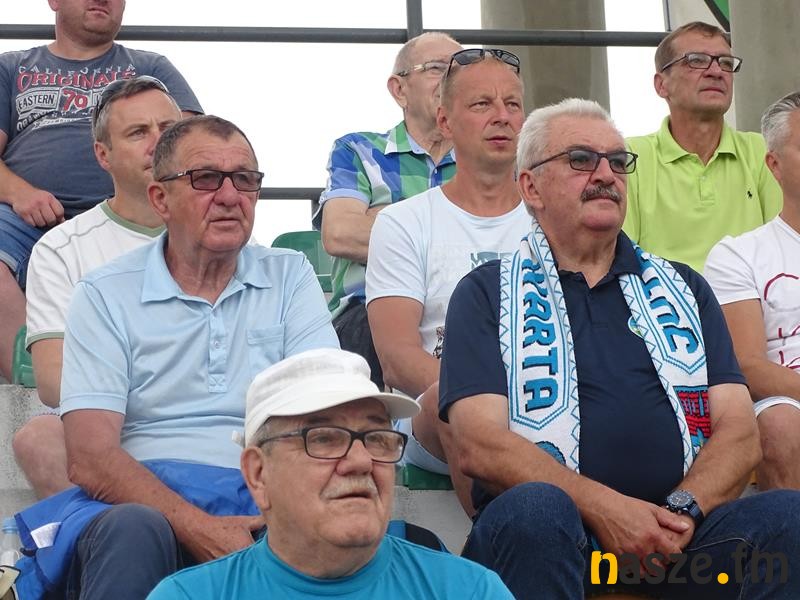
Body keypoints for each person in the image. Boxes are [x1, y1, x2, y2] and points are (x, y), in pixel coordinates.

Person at [438, 97, 800, 598]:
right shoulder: (486, 292)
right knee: (535, 509)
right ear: (530, 187)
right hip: (558, 542)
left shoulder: (683, 288)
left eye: (617, 161)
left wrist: (676, 515)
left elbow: (739, 431)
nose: (606, 174)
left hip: (678, 548)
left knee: (788, 517)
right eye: (581, 159)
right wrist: (608, 510)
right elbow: (479, 444)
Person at [12, 115, 338, 600]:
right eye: (205, 179)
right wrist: (199, 527)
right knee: (133, 531)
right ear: (160, 199)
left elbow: (326, 410)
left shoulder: (290, 276)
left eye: (244, 179)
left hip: (263, 488)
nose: (229, 196)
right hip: (141, 498)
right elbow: (91, 459)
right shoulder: (105, 292)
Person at [147, 348, 513, 599]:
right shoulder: (189, 596)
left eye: (377, 437)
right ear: (258, 474)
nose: (361, 461)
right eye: (323, 438)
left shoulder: (468, 591)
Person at [0, 0, 202, 381]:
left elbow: (192, 148)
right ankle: (37, 382)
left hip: (132, 215)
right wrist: (20, 193)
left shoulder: (152, 68)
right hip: (23, 219)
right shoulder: (10, 68)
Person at [366, 48, 531, 512]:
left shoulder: (553, 219)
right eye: (482, 104)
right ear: (445, 121)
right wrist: (487, 400)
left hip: (547, 400)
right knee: (455, 401)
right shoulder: (404, 222)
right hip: (438, 418)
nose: (502, 117)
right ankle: (496, 537)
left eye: (513, 104)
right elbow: (398, 359)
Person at [12, 76, 183, 499]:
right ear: (103, 155)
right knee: (38, 439)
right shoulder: (62, 248)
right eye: (138, 132)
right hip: (113, 429)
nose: (158, 142)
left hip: (215, 427)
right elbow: (54, 381)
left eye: (168, 129)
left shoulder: (226, 234)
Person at [317, 32, 462, 386]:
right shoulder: (360, 151)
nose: (452, 79)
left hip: (462, 308)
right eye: (437, 68)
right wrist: (458, 236)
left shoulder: (489, 163)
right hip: (367, 313)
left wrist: (386, 219)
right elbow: (340, 234)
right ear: (399, 89)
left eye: (460, 71)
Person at [623, 21, 781, 273]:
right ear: (661, 85)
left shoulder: (763, 151)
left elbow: (784, 251)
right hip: (661, 296)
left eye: (726, 63)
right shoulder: (630, 157)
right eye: (697, 60)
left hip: (750, 294)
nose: (716, 71)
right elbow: (620, 257)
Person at [705, 91, 800, 490]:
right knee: (779, 423)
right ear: (774, 164)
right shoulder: (739, 255)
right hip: (788, 404)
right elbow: (747, 365)